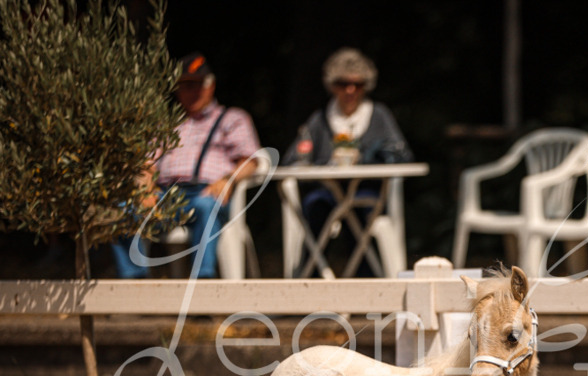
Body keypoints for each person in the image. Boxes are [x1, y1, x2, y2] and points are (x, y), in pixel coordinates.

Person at [112, 52, 261, 278]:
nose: (190, 92)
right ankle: (135, 281)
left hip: (205, 192)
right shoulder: (167, 123)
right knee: (123, 209)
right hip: (165, 195)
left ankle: (202, 282)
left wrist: (228, 179)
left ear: (210, 86)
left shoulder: (232, 119)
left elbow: (251, 160)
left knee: (205, 205)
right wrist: (144, 187)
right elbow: (147, 163)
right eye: (184, 86)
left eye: (196, 85)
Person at [282, 48, 412, 274]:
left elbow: (402, 155)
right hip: (328, 191)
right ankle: (310, 279)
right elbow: (294, 158)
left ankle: (366, 282)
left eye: (358, 84)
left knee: (361, 215)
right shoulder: (321, 119)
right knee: (315, 209)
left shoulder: (378, 115)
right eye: (343, 84)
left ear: (366, 86)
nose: (350, 90)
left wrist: (372, 156)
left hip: (367, 190)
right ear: (332, 85)